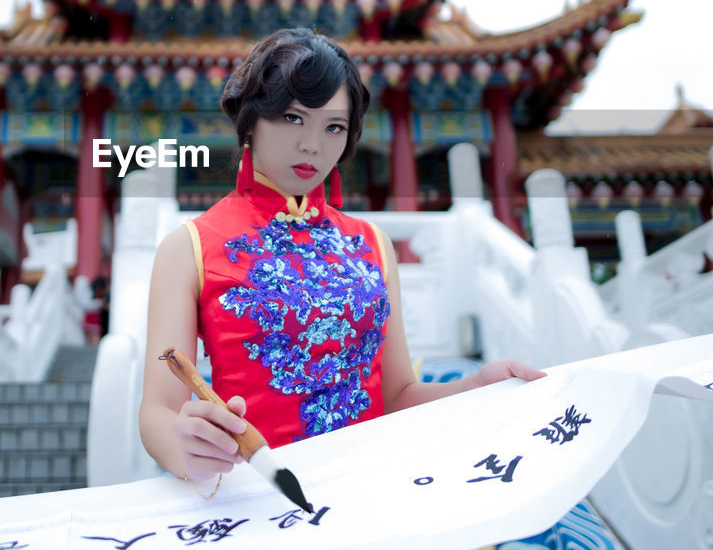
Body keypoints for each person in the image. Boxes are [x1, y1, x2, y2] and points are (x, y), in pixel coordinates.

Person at [138, 28, 546, 488]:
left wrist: (473, 390)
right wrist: (184, 444)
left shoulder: (373, 244)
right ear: (252, 120)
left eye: (333, 126)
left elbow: (395, 396)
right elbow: (157, 412)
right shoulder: (189, 246)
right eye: (293, 118)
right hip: (259, 494)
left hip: (370, 490)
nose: (313, 144)